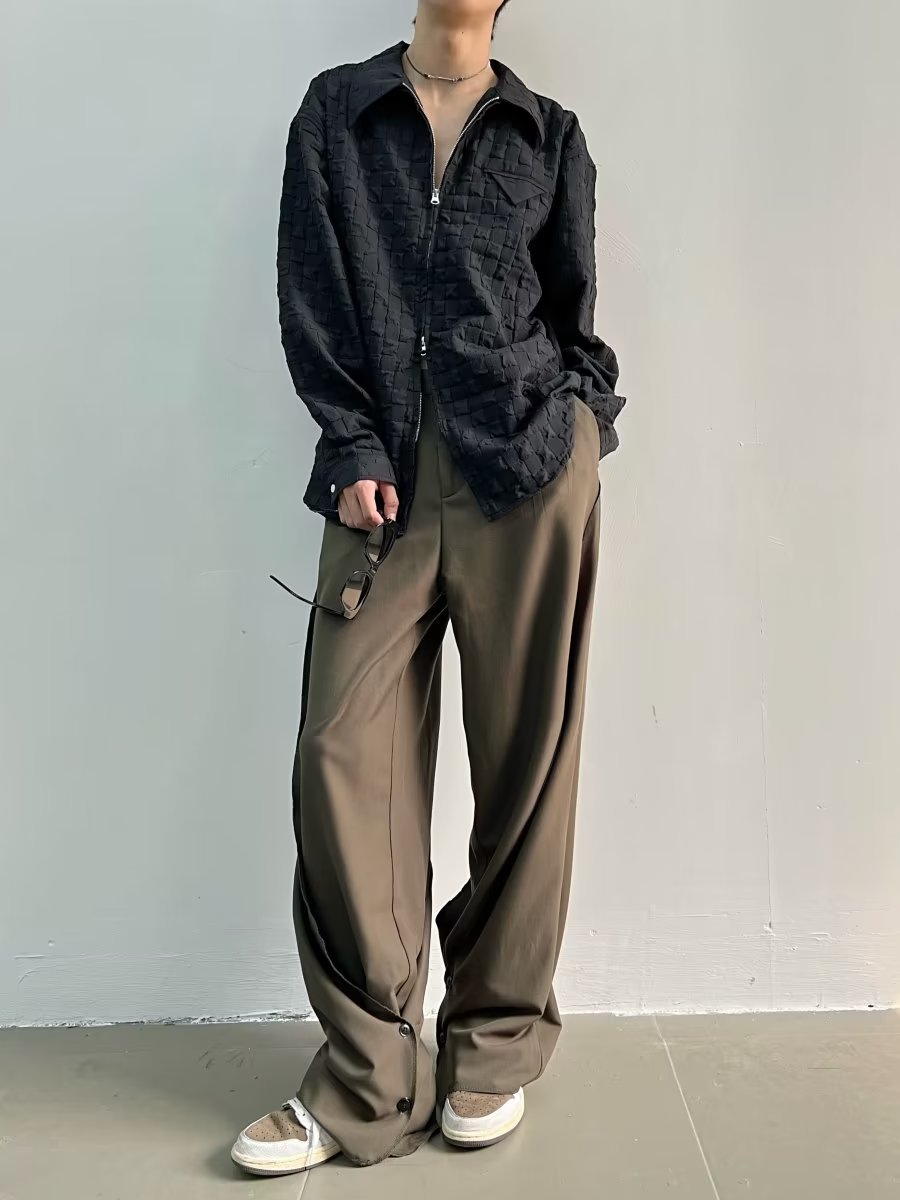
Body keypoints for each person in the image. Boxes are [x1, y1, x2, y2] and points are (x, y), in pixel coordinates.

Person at [232, 0, 625, 1176]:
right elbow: (314, 294)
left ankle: (493, 1043)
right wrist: (352, 443)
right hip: (383, 485)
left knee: (528, 763)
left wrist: (582, 431)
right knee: (339, 755)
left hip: (528, 477)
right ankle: (368, 1078)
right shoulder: (338, 112)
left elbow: (574, 318)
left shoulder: (549, 134)